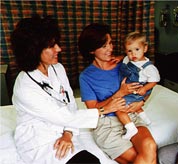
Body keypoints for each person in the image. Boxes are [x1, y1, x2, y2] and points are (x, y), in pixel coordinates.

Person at [10, 14, 119, 164]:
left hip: (64, 131)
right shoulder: (25, 86)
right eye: (51, 46)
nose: (59, 49)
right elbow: (63, 116)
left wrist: (68, 133)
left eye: (57, 43)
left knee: (92, 161)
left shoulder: (58, 68)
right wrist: (103, 110)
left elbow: (70, 104)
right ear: (34, 50)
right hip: (39, 140)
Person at [78, 23, 157, 164]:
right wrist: (119, 94)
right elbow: (93, 109)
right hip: (106, 124)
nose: (110, 48)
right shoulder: (86, 76)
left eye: (110, 43)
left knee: (150, 146)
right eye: (104, 46)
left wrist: (141, 101)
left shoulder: (126, 64)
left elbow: (146, 86)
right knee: (142, 159)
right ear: (91, 50)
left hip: (131, 116)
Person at [118, 31, 160, 140]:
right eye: (129, 51)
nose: (133, 54)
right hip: (130, 88)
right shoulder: (128, 59)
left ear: (145, 49)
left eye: (137, 49)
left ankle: (131, 128)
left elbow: (155, 81)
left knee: (119, 108)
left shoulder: (148, 67)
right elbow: (124, 61)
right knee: (135, 106)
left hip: (138, 90)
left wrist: (145, 88)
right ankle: (146, 120)